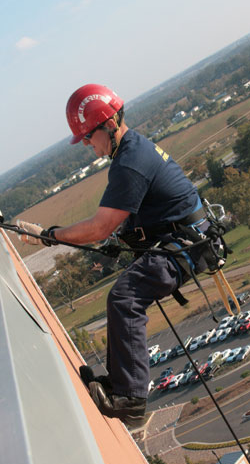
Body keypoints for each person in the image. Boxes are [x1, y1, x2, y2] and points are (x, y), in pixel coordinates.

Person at [19, 83, 209, 432]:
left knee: (124, 298)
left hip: (181, 247)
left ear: (107, 124)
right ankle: (118, 385)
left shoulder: (130, 163)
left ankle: (131, 400)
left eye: (88, 138)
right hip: (182, 241)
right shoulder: (132, 150)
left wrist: (47, 236)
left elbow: (99, 227)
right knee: (125, 296)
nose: (89, 147)